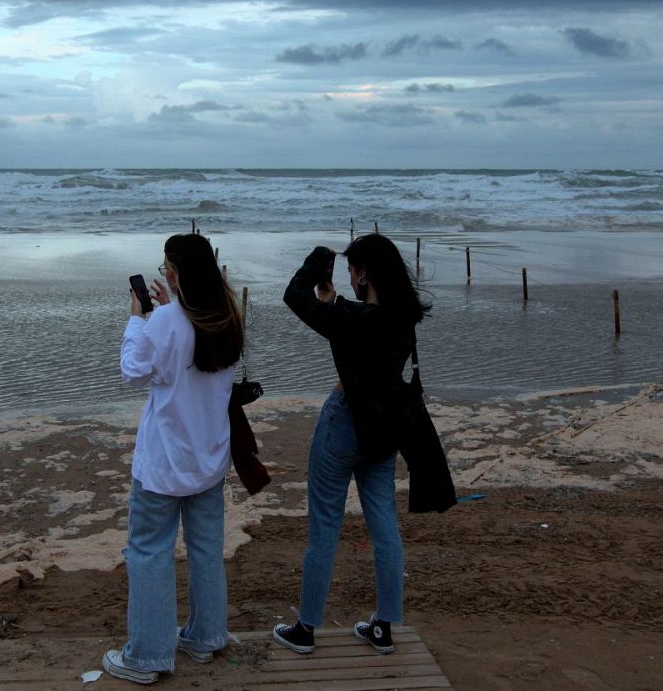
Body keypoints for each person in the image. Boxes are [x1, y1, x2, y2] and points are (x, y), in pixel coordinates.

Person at [273, 233, 436, 656]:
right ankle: (383, 626)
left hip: (344, 423)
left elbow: (293, 295)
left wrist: (319, 261)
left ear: (362, 273)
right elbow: (361, 326)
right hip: (383, 430)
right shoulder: (403, 318)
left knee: (324, 527)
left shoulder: (351, 317)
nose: (347, 276)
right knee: (384, 525)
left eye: (350, 270)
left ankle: (306, 628)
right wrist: (334, 299)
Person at [103, 233, 246, 685]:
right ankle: (206, 635)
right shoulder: (226, 316)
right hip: (208, 457)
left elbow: (132, 371)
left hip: (164, 462)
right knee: (205, 550)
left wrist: (136, 319)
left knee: (148, 552)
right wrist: (165, 310)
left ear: (179, 272)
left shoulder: (165, 321)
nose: (163, 272)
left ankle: (147, 655)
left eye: (167, 266)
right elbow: (185, 338)